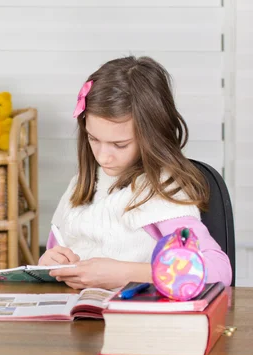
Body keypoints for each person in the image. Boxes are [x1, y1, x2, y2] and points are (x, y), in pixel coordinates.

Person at [38, 56, 232, 290]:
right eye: (93, 139)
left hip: (137, 321)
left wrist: (127, 273)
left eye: (119, 145)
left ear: (151, 137)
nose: (102, 156)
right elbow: (54, 250)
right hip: (78, 316)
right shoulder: (82, 184)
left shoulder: (161, 191)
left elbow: (219, 271)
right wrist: (50, 262)